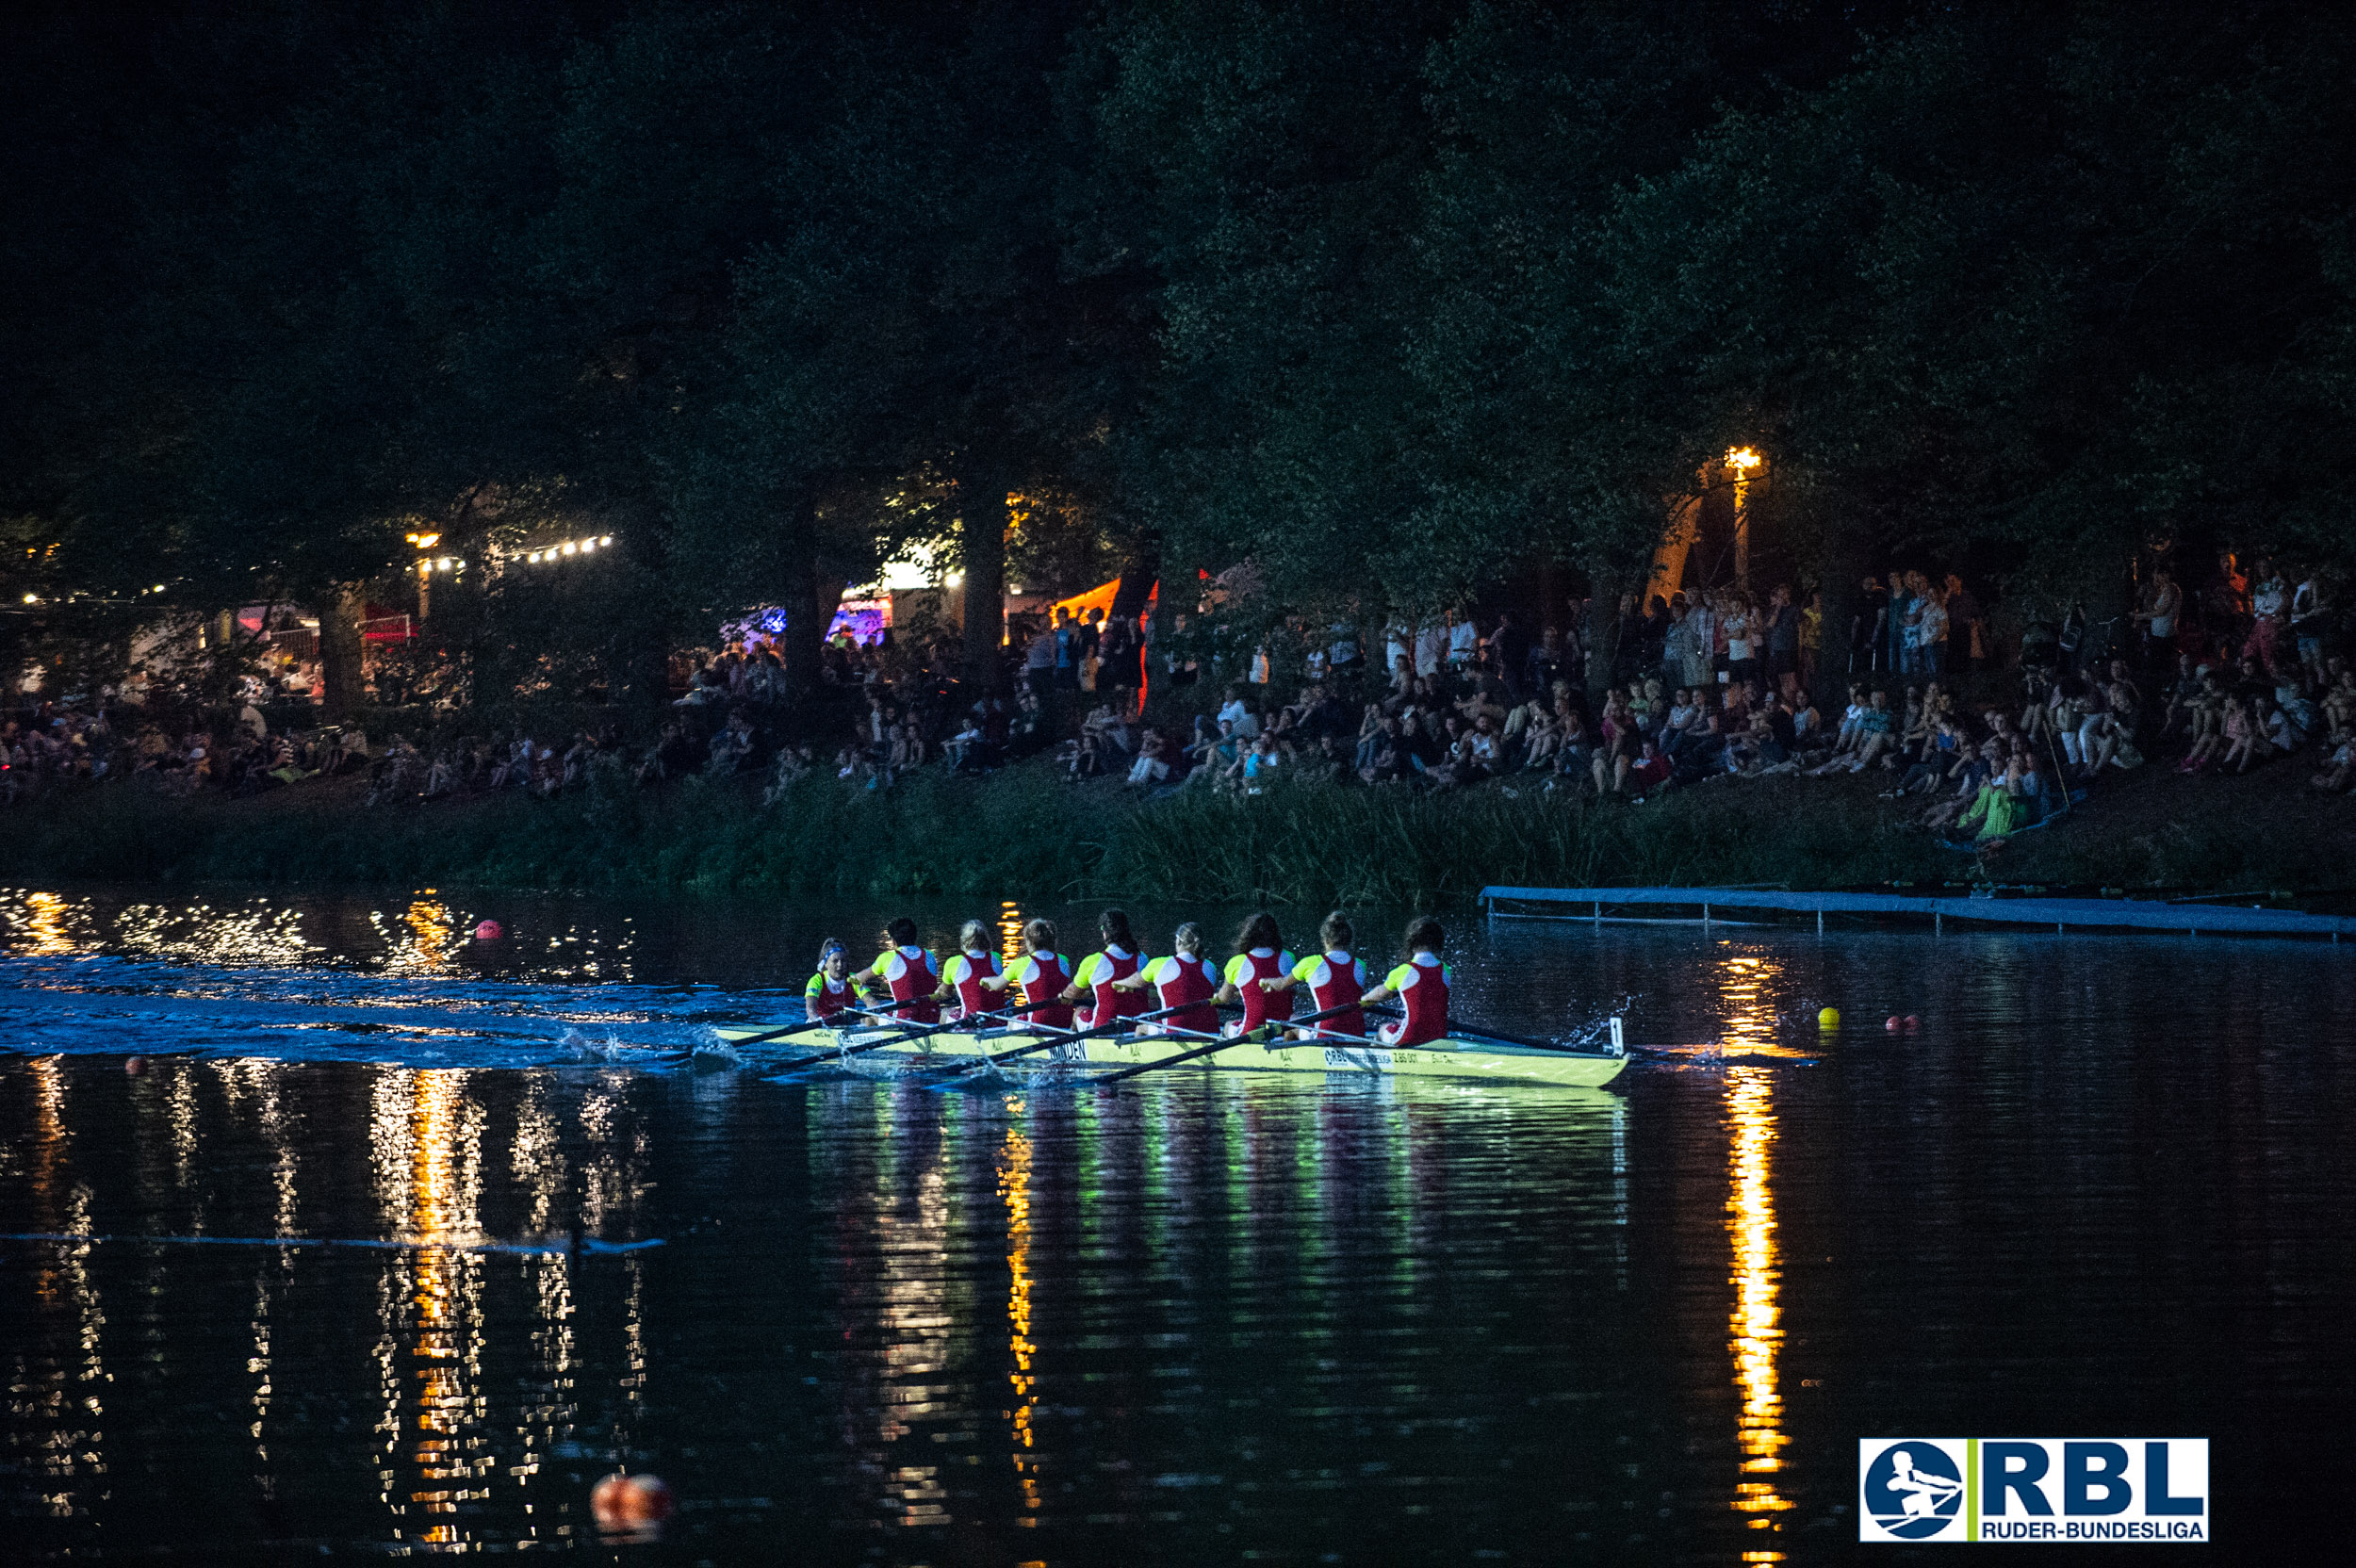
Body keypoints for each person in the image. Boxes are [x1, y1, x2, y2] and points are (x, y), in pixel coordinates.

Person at [1257, 910, 1369, 1039]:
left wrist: (1265, 981)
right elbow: (1341, 991)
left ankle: (1287, 1056)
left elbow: (1281, 984)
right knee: (1304, 1018)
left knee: (1291, 1019)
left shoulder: (1310, 963)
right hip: (1358, 1033)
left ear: (1325, 940)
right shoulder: (1361, 965)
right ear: (1349, 940)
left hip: (1326, 1034)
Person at [1111, 921, 1221, 1034]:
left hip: (1175, 1032)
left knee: (1140, 1027)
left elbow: (1136, 981)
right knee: (1144, 1016)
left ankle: (1140, 1051)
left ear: (1178, 941)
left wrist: (1119, 983)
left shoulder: (1160, 964)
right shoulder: (1210, 967)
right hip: (1209, 1031)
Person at [1360, 916, 1450, 1046]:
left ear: (1411, 942)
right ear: (1437, 942)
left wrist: (1361, 1002)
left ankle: (1383, 1060)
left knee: (1382, 1029)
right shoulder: (1446, 970)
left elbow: (1379, 994)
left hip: (1410, 1036)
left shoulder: (1402, 971)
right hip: (1439, 1035)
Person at [979, 917, 1077, 1029]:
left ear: (1029, 942)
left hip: (1039, 1022)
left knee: (1013, 1019)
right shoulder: (1063, 960)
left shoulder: (1021, 964)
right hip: (1065, 1021)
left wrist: (983, 980)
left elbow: (996, 985)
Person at [1211, 911, 1296, 1036]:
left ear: (1248, 934)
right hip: (1283, 1031)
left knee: (1228, 1025)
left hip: (1252, 1032)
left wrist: (1216, 997)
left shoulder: (1237, 962)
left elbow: (1224, 998)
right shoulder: (1289, 957)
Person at [1061, 907, 1146, 1028]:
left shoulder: (1093, 961)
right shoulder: (1142, 958)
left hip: (1103, 1029)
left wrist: (1062, 997)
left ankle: (1076, 1044)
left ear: (1104, 932)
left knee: (1079, 1011)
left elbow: (1072, 993)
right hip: (1136, 1026)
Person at [852, 916, 941, 1026]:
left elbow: (859, 978)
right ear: (914, 937)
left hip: (904, 1021)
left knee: (870, 1012)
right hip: (933, 1018)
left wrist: (849, 977)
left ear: (893, 940)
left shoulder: (888, 958)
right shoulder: (930, 955)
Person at [934, 920, 1005, 1021]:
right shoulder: (997, 957)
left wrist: (939, 993)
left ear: (963, 939)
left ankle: (941, 1037)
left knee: (945, 1012)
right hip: (998, 1022)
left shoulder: (954, 962)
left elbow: (945, 992)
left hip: (971, 1024)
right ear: (986, 938)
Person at [803, 939, 869, 1023]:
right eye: (835, 961)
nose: (840, 965)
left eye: (843, 960)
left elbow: (870, 1001)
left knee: (868, 1018)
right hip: (822, 1024)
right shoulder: (816, 981)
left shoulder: (854, 979)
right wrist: (817, 1020)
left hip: (848, 1023)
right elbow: (810, 1008)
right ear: (825, 964)